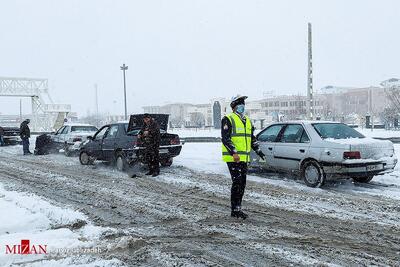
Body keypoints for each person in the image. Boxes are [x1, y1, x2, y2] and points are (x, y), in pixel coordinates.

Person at [221, 95, 265, 219]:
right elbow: (226, 139)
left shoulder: (247, 120)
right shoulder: (228, 119)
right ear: (234, 107)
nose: (242, 107)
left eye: (243, 105)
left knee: (242, 183)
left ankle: (238, 208)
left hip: (244, 158)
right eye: (240, 104)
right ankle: (235, 210)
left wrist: (259, 152)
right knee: (237, 182)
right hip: (233, 157)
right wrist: (234, 153)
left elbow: (252, 139)